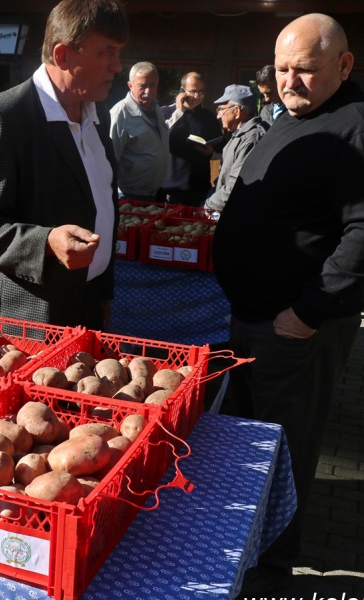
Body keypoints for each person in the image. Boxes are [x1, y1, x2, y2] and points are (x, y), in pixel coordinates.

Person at [212, 13, 364, 594]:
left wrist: (307, 312)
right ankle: (249, 546)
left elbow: (361, 236)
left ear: (344, 66)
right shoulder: (292, 119)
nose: (290, 82)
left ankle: (273, 566)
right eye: (281, 70)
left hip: (295, 329)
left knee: (284, 448)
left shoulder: (353, 127)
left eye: (307, 70)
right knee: (249, 442)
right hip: (256, 320)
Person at [0, 0, 126, 331]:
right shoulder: (4, 115)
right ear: (63, 55)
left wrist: (100, 294)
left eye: (119, 53)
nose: (118, 66)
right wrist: (46, 242)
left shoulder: (97, 115)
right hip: (27, 323)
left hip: (85, 308)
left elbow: (101, 205)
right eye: (107, 52)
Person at [160, 72, 223, 206]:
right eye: (193, 91)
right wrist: (180, 111)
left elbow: (220, 151)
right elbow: (160, 141)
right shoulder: (165, 113)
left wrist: (211, 153)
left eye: (201, 91)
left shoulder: (209, 117)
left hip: (199, 188)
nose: (197, 96)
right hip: (170, 186)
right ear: (182, 91)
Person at [109, 61, 169, 201]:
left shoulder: (157, 109)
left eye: (152, 85)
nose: (148, 91)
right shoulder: (120, 113)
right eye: (143, 86)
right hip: (128, 195)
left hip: (154, 194)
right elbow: (110, 158)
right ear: (130, 85)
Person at [203, 84, 267, 213]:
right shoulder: (240, 134)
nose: (218, 116)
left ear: (237, 111)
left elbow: (236, 186)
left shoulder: (252, 138)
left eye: (221, 109)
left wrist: (208, 205)